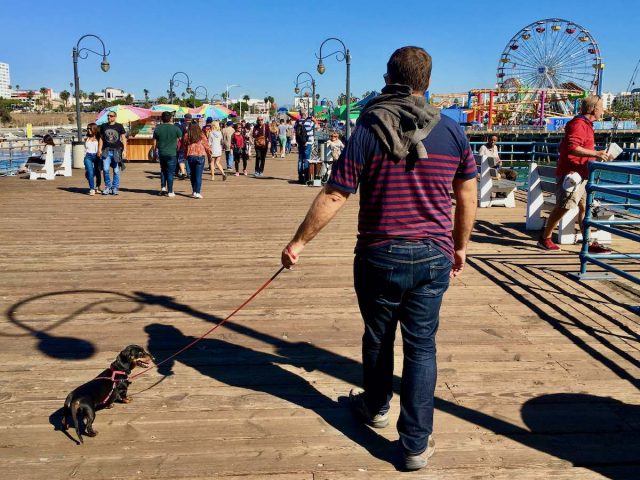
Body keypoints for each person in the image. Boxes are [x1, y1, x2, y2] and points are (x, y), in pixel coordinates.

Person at [280, 46, 477, 471]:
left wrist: (300, 242)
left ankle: (374, 407)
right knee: (422, 347)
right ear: (427, 82)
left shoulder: (369, 128)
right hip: (433, 253)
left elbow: (336, 192)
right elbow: (467, 194)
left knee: (378, 336)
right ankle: (415, 446)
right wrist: (460, 246)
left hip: (379, 253)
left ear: (388, 79)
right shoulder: (452, 131)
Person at [537, 95, 613, 253]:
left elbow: (579, 147)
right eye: (601, 108)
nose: (602, 111)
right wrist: (595, 153)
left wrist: (597, 155)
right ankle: (545, 238)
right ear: (593, 109)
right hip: (572, 174)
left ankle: (588, 241)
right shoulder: (579, 124)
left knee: (585, 208)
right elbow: (573, 147)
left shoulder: (587, 124)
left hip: (582, 172)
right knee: (564, 207)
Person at [152, 111, 182, 197]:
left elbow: (154, 142)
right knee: (170, 172)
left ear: (162, 118)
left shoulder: (158, 128)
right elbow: (180, 139)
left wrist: (154, 153)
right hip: (172, 153)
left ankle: (163, 188)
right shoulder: (176, 128)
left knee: (163, 170)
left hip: (162, 153)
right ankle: (170, 191)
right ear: (171, 119)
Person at [98, 110, 126, 195]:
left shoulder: (119, 126)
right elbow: (101, 139)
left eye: (111, 116)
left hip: (116, 151)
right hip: (106, 151)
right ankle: (107, 187)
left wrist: (125, 150)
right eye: (108, 116)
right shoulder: (103, 126)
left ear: (115, 117)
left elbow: (124, 139)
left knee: (116, 170)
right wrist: (99, 149)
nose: (109, 117)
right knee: (106, 169)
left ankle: (115, 187)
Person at [182, 122, 211, 198]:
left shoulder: (187, 135)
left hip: (190, 156)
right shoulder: (201, 135)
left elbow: (184, 147)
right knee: (198, 175)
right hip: (200, 156)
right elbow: (206, 145)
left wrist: (185, 156)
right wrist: (209, 154)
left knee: (192, 175)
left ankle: (194, 191)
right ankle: (197, 192)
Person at [295, 109, 315, 184]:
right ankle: (306, 176)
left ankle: (300, 177)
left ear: (300, 114)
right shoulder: (309, 122)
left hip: (300, 143)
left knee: (300, 159)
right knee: (306, 159)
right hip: (308, 143)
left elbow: (295, 130)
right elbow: (318, 126)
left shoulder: (297, 122)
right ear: (306, 114)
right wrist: (314, 120)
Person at [83, 123, 101, 195]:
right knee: (90, 172)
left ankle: (97, 186)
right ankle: (92, 189)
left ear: (94, 129)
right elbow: (85, 149)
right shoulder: (86, 138)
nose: (88, 130)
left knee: (97, 172)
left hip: (97, 156)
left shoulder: (99, 138)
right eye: (87, 129)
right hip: (88, 156)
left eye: (90, 128)